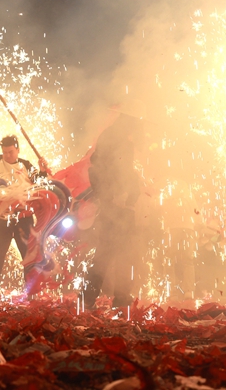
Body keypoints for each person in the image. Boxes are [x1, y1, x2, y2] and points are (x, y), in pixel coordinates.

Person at [81, 108, 145, 311]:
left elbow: (99, 170)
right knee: (118, 251)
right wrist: (124, 195)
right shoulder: (121, 143)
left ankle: (91, 297)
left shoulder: (109, 139)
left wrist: (111, 196)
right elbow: (122, 171)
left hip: (114, 203)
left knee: (108, 251)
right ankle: (117, 297)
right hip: (119, 205)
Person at [0, 135, 49, 297]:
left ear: (17, 150)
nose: (7, 155)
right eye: (4, 152)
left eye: (10, 151)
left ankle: (31, 291)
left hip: (23, 218)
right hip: (3, 217)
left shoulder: (25, 165)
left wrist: (43, 171)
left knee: (28, 255)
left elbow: (40, 183)